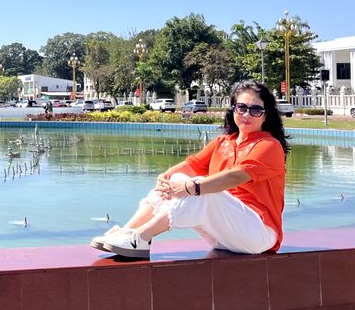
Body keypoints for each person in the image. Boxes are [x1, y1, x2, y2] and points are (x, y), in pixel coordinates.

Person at [93, 80, 288, 260]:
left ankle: (142, 237)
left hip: (259, 234)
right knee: (180, 179)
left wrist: (189, 187)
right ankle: (127, 233)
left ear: (265, 115)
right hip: (225, 235)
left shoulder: (269, 145)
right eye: (241, 107)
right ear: (233, 109)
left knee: (201, 191)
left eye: (255, 110)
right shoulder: (223, 142)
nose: (246, 114)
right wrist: (167, 177)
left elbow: (235, 176)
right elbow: (193, 164)